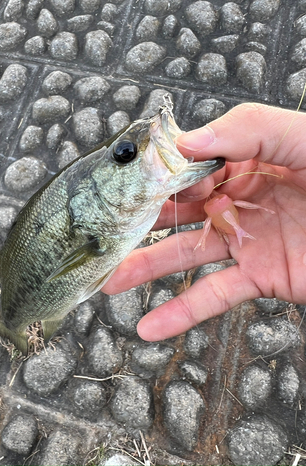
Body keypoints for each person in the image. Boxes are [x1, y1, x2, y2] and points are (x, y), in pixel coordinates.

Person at [102, 102, 306, 341]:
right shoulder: (231, 202)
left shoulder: (214, 205)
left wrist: (205, 241)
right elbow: (236, 210)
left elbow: (215, 221)